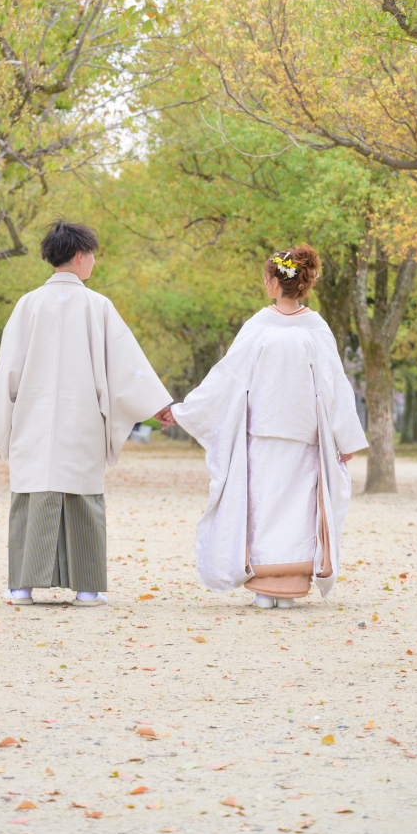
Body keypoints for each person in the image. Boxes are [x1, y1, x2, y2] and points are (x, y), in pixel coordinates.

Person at [160, 243, 368, 610]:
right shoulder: (314, 329)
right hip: (302, 437)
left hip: (266, 435)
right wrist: (344, 437)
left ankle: (267, 588)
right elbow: (335, 386)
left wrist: (183, 411)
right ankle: (287, 586)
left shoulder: (261, 327)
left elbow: (226, 378)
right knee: (294, 512)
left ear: (274, 282)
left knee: (264, 508)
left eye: (266, 277)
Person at [0, 220, 172, 607]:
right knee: (84, 497)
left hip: (33, 419)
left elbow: (8, 371)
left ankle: (21, 587)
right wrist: (156, 404)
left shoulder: (27, 304)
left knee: (32, 495)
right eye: (92, 255)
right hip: (83, 417)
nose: (94, 263)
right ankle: (87, 588)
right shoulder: (97, 306)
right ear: (79, 256)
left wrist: (5, 417)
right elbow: (127, 366)